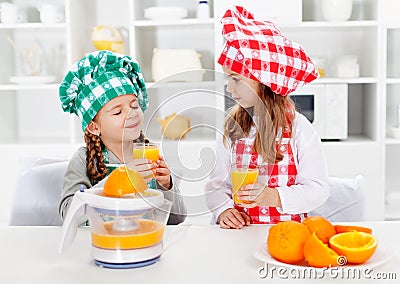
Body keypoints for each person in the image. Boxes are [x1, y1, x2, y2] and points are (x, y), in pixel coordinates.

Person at [205, 6, 329, 229]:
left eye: (236, 79)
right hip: (240, 235)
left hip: (288, 234)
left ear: (264, 81)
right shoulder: (233, 128)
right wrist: (223, 210)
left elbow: (318, 189)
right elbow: (216, 185)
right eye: (228, 80)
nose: (230, 89)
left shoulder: (299, 128)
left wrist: (273, 197)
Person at [58, 50, 186, 224]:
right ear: (94, 127)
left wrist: (167, 186)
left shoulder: (149, 153)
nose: (131, 114)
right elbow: (68, 215)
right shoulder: (83, 159)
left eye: (134, 106)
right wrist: (116, 179)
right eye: (118, 112)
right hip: (104, 243)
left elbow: (177, 219)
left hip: (144, 242)